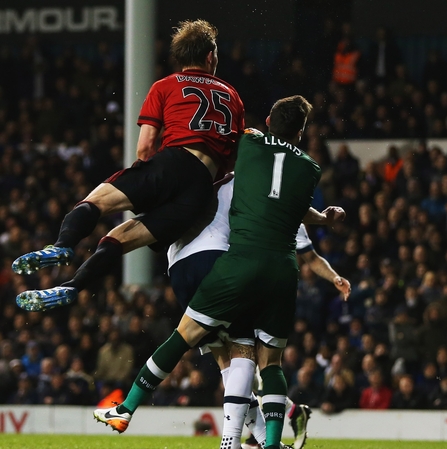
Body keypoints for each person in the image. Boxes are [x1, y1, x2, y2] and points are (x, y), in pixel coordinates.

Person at [94, 95, 318, 449]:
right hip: (271, 266)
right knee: (257, 357)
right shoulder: (307, 169)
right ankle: (253, 440)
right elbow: (299, 209)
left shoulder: (243, 148)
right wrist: (326, 220)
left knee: (199, 345)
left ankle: (128, 407)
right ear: (302, 133)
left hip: (190, 261)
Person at [14, 20, 245, 311]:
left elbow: (146, 146)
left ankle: (61, 247)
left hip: (172, 163)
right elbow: (234, 157)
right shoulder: (232, 96)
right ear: (210, 56)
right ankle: (70, 287)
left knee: (95, 202)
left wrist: (147, 182)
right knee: (119, 240)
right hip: (201, 190)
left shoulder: (165, 86)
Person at [166, 171, 349, 449]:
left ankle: (254, 436)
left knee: (247, 364)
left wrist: (334, 277)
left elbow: (310, 257)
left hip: (257, 290)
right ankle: (278, 424)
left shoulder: (281, 212)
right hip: (234, 283)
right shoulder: (236, 198)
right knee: (243, 366)